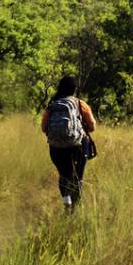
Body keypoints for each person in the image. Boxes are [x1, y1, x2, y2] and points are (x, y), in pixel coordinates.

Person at [39, 74, 97, 210]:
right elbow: (92, 126)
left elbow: (43, 128)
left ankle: (67, 204)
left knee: (64, 175)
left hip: (56, 147)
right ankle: (75, 210)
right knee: (77, 177)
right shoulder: (80, 104)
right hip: (78, 146)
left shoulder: (52, 106)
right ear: (74, 89)